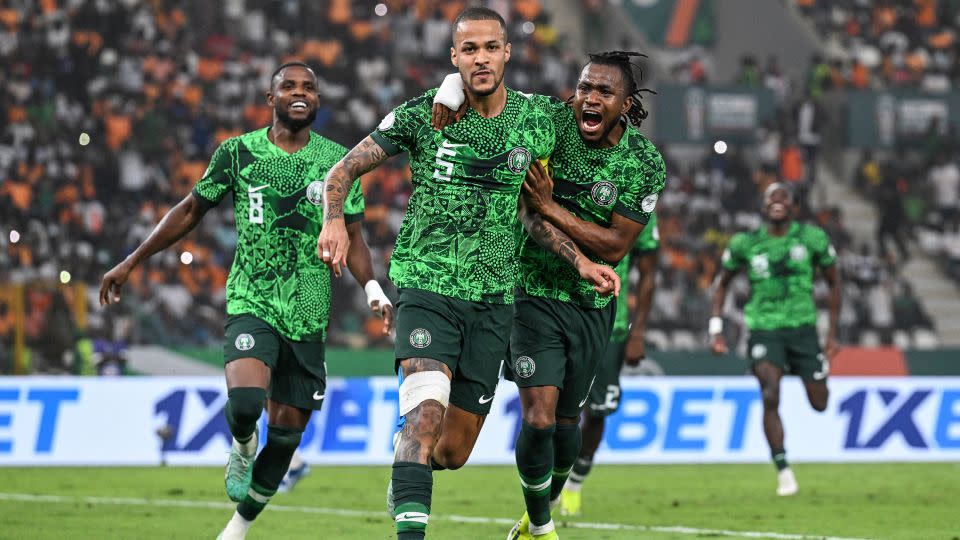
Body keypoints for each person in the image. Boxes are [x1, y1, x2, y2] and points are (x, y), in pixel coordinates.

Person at [315, 8, 619, 540]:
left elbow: (533, 212)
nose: (480, 58)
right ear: (454, 58)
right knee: (424, 419)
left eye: (489, 47)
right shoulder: (422, 115)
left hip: (496, 299)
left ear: (507, 53)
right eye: (468, 50)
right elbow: (342, 170)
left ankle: (408, 463)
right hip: (427, 286)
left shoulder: (539, 120)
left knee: (451, 452)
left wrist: (581, 260)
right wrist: (334, 221)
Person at [99, 62, 394, 540]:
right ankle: (240, 443)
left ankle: (237, 527)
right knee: (245, 404)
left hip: (309, 311)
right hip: (251, 299)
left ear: (318, 100)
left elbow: (354, 237)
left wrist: (372, 289)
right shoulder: (238, 153)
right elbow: (192, 208)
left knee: (286, 436)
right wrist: (132, 260)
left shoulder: (341, 163)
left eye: (309, 88)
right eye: (289, 87)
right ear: (270, 98)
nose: (300, 94)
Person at [437, 50, 665, 539]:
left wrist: (551, 206)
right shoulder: (549, 121)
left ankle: (538, 509)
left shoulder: (644, 163)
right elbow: (491, 97)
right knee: (538, 419)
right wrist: (448, 87)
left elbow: (617, 244)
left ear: (625, 105)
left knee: (566, 430)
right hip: (532, 294)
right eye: (584, 87)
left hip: (592, 307)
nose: (590, 98)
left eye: (604, 92)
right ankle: (542, 528)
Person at [710, 182, 840, 497]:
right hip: (765, 329)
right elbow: (722, 283)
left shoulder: (812, 239)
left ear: (794, 206)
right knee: (770, 393)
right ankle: (783, 470)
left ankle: (797, 366)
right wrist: (716, 327)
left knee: (820, 402)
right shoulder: (746, 243)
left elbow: (835, 284)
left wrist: (832, 333)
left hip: (804, 329)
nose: (777, 200)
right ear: (763, 206)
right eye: (771, 196)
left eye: (783, 196)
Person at [557, 213, 659, 517]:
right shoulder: (565, 185)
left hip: (610, 326)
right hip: (557, 314)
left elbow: (649, 273)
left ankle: (574, 483)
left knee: (598, 411)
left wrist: (638, 332)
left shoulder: (636, 200)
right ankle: (550, 483)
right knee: (552, 408)